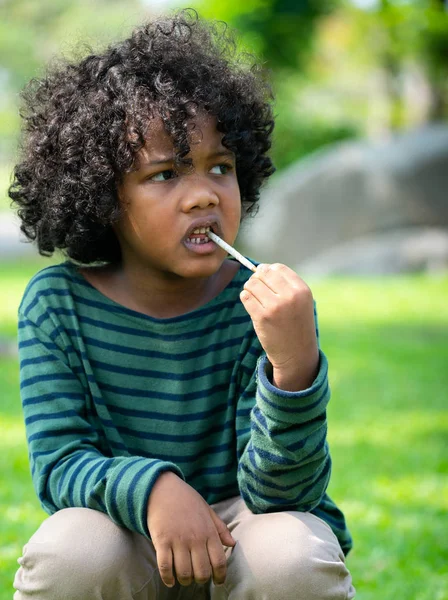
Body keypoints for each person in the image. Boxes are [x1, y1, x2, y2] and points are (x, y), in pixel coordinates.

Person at [9, 9, 355, 600]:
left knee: (294, 555)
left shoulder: (263, 307)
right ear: (104, 197)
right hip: (128, 530)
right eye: (166, 174)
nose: (203, 194)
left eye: (220, 167)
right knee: (70, 550)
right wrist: (155, 490)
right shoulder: (56, 305)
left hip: (243, 533)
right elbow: (60, 465)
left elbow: (284, 497)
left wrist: (293, 370)